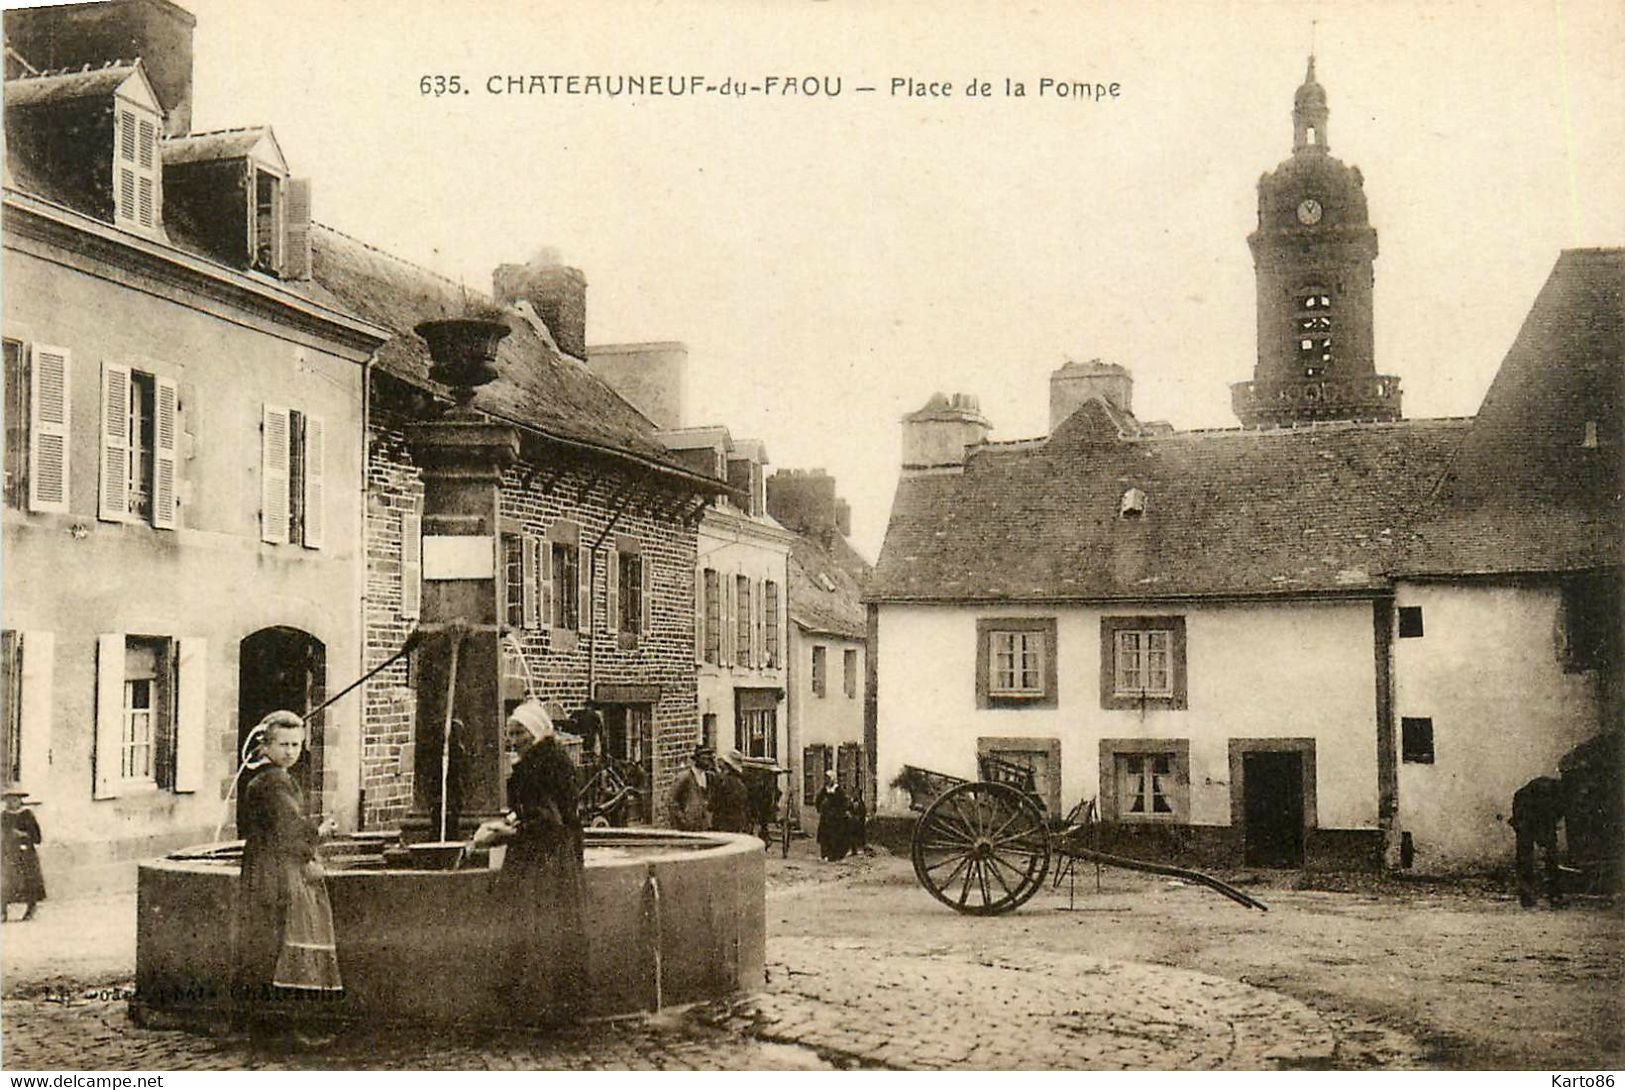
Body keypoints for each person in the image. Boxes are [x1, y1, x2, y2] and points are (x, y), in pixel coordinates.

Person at [233, 711, 343, 1039]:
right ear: (266, 746)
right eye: (283, 744)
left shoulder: (268, 777)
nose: (291, 751)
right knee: (282, 939)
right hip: (276, 870)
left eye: (296, 744)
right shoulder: (274, 780)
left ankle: (261, 1023)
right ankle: (285, 1026)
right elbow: (289, 829)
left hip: (263, 865)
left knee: (266, 940)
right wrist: (319, 832)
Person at [496, 699, 587, 1022]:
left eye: (519, 732)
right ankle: (559, 1004)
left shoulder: (537, 767)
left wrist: (507, 831)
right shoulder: (551, 760)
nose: (514, 740)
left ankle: (538, 1007)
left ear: (534, 732)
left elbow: (549, 821)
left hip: (544, 861)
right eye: (510, 733)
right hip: (561, 855)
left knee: (536, 927)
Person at [1511, 775, 1567, 908]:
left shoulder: (1560, 793)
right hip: (1526, 810)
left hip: (1535, 810)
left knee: (1546, 852)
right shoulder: (1556, 794)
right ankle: (1537, 895)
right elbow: (1549, 816)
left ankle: (1551, 894)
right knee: (1529, 853)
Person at [2, 788, 45, 921]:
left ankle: (31, 908)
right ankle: (2, 911)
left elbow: (37, 837)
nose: (12, 803)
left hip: (26, 854)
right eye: (8, 800)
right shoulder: (3, 816)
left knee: (29, 881)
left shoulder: (27, 815)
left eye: (15, 800)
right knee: (5, 882)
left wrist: (23, 835)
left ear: (20, 801)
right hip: (8, 854)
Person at [668, 746, 713, 831]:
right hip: (687, 825)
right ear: (697, 759)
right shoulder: (685, 777)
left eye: (709, 759)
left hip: (703, 825)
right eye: (704, 759)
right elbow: (672, 800)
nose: (707, 762)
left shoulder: (708, 777)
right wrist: (682, 819)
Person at [709, 750, 752, 833]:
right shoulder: (740, 782)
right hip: (738, 821)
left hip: (724, 822)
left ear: (727, 766)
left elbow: (714, 803)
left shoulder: (725, 782)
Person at [815, 771, 851, 862]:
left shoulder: (838, 790)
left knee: (835, 836)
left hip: (836, 818)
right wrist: (821, 808)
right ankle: (825, 855)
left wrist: (838, 812)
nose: (827, 780)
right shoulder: (824, 790)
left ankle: (835, 855)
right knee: (824, 836)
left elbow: (844, 803)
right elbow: (818, 800)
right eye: (826, 778)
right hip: (826, 817)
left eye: (828, 778)